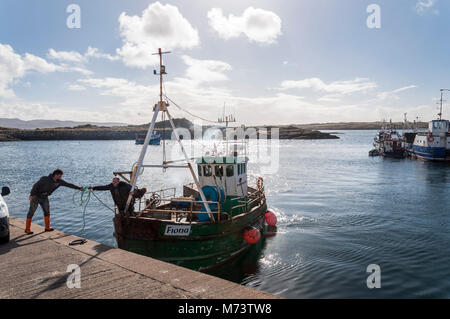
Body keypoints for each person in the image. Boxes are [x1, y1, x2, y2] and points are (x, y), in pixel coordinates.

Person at [26, 169, 82, 234]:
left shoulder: (59, 181)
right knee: (31, 211)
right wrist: (31, 195)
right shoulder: (45, 179)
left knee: (47, 211)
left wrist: (79, 188)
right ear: (55, 175)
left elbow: (69, 185)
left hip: (44, 197)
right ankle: (27, 229)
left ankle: (47, 227)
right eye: (60, 176)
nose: (61, 177)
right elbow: (35, 186)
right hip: (36, 196)